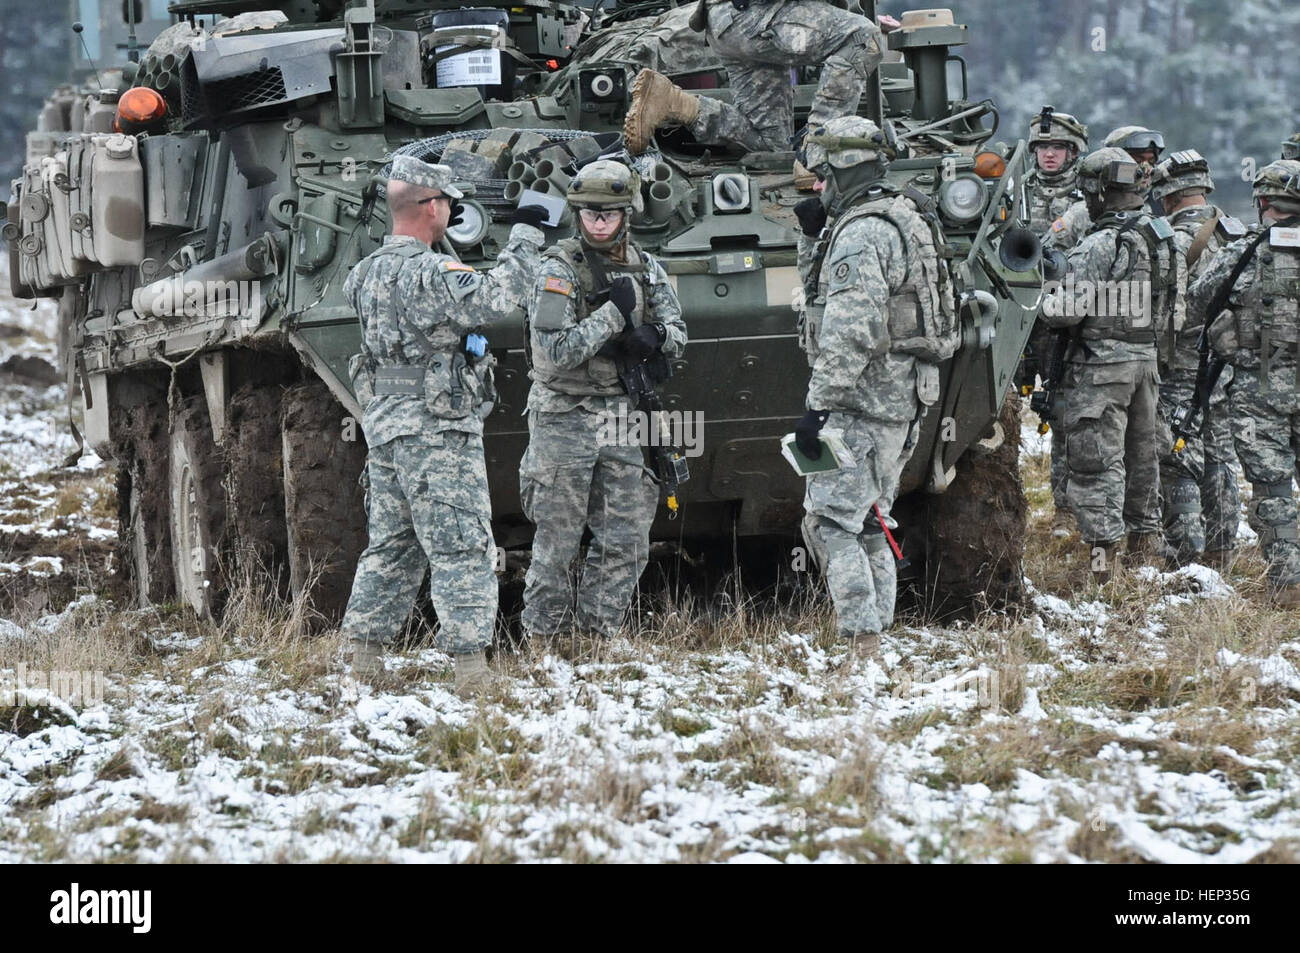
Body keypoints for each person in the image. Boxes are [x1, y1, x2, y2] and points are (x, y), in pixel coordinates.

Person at [341, 155, 548, 694]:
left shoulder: (364, 274)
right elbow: (502, 296)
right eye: (449, 202)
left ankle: (363, 660)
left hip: (387, 422)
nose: (454, 209)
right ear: (431, 207)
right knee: (462, 543)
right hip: (437, 429)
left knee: (392, 544)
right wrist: (527, 230)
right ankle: (471, 671)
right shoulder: (429, 272)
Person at [792, 115, 958, 661]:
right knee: (870, 517)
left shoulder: (862, 231)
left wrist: (817, 409)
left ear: (840, 165)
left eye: (820, 173)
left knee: (828, 520)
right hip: (903, 397)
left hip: (858, 400)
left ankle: (861, 638)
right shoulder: (903, 213)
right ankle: (879, 637)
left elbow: (849, 329)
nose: (815, 184)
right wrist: (811, 236)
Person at [519, 157, 688, 651]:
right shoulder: (556, 269)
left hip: (622, 415)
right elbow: (556, 350)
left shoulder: (644, 265)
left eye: (609, 213)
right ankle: (543, 644)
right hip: (564, 415)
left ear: (626, 214)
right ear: (577, 214)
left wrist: (654, 335)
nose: (599, 221)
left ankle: (595, 638)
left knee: (627, 539)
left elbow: (679, 332)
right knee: (558, 540)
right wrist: (615, 315)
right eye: (590, 213)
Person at [1041, 147, 1182, 583]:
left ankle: (1103, 570)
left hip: (1101, 369)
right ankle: (1146, 556)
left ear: (1098, 193)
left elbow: (1064, 311)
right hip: (1147, 364)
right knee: (1144, 463)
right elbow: (1175, 309)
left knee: (1096, 465)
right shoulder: (1164, 239)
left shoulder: (1101, 243)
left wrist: (1042, 297)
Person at [1194, 159, 1300, 605]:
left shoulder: (1246, 251)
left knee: (1273, 487)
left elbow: (1201, 297)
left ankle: (1289, 582)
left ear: (1262, 202)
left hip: (1261, 388)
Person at [622, 0, 891, 167]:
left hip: (732, 24)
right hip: (754, 16)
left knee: (772, 146)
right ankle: (821, 147)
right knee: (862, 39)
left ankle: (674, 102)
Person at [1149, 150, 1242, 568]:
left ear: (1167, 195)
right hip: (1224, 368)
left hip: (1179, 368)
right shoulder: (1236, 235)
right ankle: (1223, 551)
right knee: (1219, 456)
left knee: (1177, 460)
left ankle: (1188, 556)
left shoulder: (1164, 241)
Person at [1021, 106, 1090, 538]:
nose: (1049, 155)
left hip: (1065, 320)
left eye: (1058, 147)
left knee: (1066, 412)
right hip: (1018, 316)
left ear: (1073, 151)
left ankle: (1066, 509)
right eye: (1043, 147)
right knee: (1000, 414)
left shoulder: (1089, 197)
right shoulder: (1013, 190)